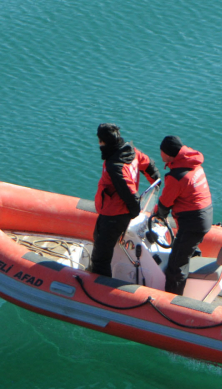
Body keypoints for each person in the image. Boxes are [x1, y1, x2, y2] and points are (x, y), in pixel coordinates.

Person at [89, 123, 161, 277]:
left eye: (100, 141)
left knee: (99, 258)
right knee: (99, 239)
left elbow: (128, 192)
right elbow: (148, 164)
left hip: (114, 214)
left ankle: (101, 289)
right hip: (114, 211)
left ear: (105, 141)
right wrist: (156, 181)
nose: (99, 144)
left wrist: (133, 212)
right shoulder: (132, 152)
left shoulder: (115, 165)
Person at [155, 135, 213, 295]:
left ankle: (173, 301)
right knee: (189, 250)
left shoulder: (177, 177)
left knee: (176, 265)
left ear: (167, 154)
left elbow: (164, 204)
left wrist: (157, 216)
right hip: (205, 216)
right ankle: (194, 289)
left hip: (192, 222)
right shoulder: (194, 165)